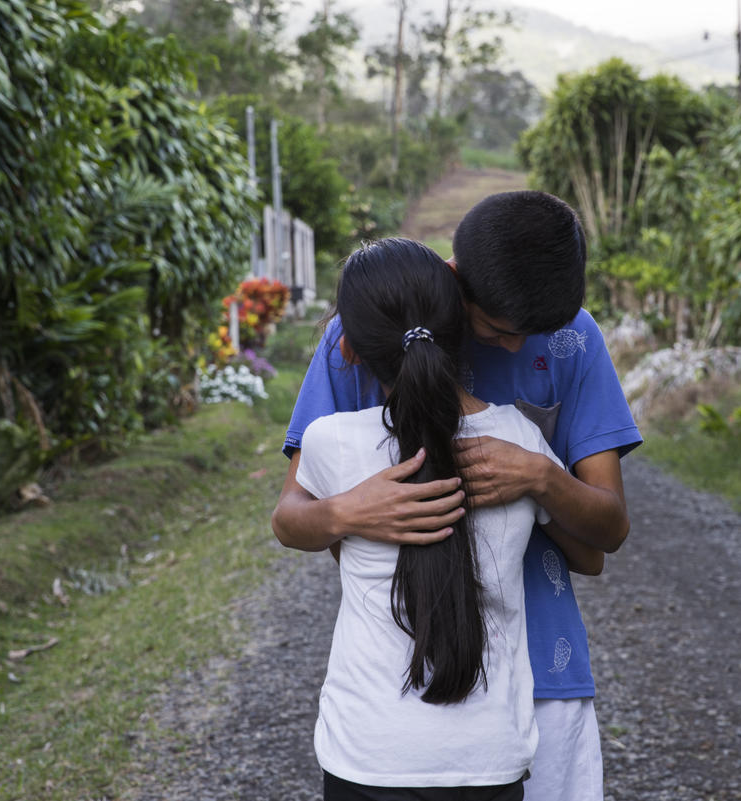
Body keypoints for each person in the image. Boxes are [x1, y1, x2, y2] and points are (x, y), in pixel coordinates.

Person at [274, 191, 643, 801]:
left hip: (541, 680)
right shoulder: (368, 329)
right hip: (403, 681)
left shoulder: (573, 337)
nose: (517, 349)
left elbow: (606, 533)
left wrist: (541, 478)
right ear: (453, 284)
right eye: (499, 330)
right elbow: (292, 516)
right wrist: (346, 512)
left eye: (535, 334)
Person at [294, 237, 565, 798]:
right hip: (490, 758)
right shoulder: (519, 439)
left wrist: (342, 514)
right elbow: (592, 549)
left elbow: (287, 524)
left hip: (366, 752)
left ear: (345, 350)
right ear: (460, 332)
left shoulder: (330, 443)